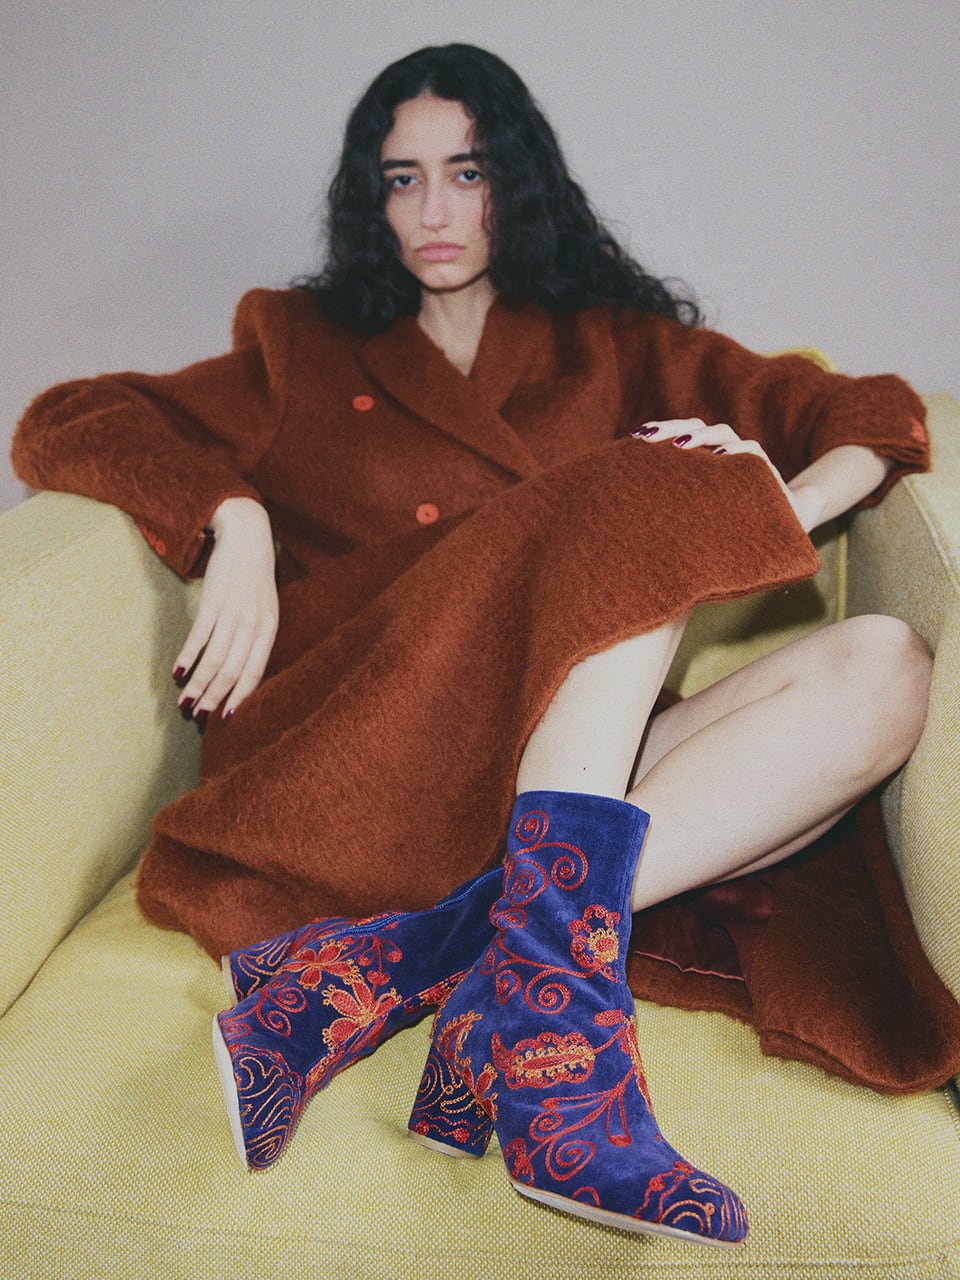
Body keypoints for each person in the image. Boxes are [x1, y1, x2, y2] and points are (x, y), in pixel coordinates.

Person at [12, 43, 951, 1249]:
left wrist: (786, 495)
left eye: (467, 172)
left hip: (538, 778)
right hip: (355, 760)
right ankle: (562, 1073)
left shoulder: (612, 346)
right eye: (402, 179)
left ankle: (425, 964)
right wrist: (229, 519)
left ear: (519, 181)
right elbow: (67, 419)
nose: (435, 211)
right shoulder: (301, 346)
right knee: (642, 482)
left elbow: (874, 411)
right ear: (371, 199)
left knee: (887, 667)